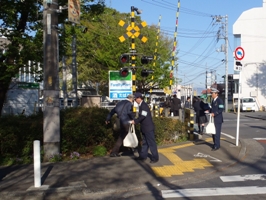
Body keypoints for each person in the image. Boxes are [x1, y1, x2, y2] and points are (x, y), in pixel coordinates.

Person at [131, 92, 159, 164]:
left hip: (148, 128)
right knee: (145, 143)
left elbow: (143, 116)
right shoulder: (141, 105)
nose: (135, 100)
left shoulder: (144, 106)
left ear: (139, 98)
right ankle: (143, 156)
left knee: (151, 143)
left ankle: (155, 157)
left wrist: (135, 121)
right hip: (144, 128)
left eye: (136, 99)